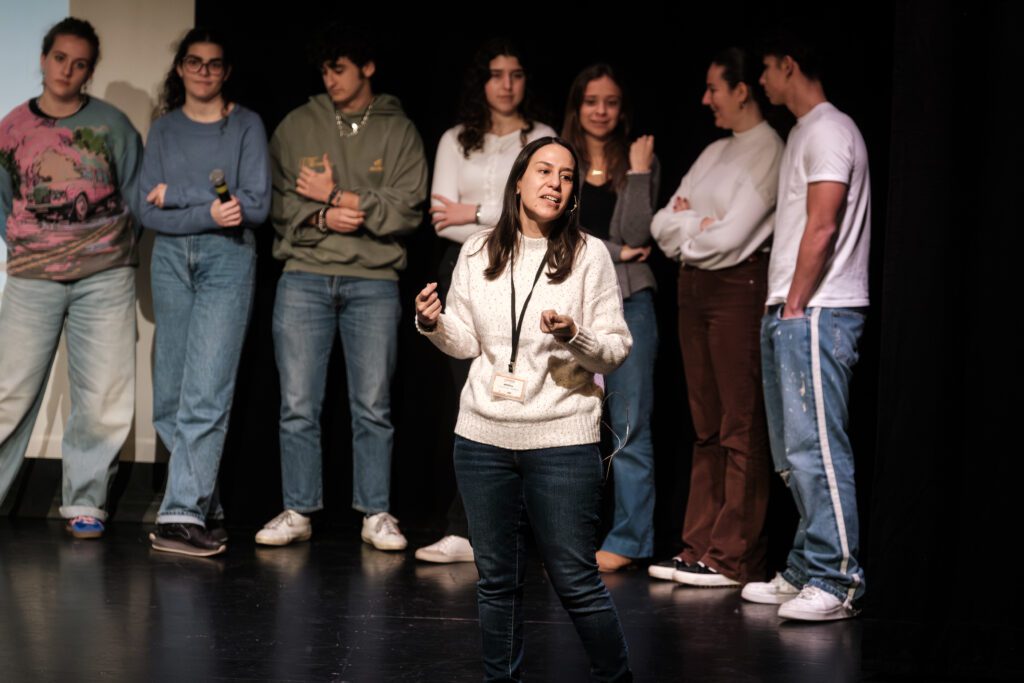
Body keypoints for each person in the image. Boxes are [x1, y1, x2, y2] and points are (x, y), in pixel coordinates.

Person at [415, 137, 632, 682]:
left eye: (566, 176)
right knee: (496, 582)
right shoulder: (477, 250)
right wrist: (433, 323)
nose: (554, 183)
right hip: (482, 439)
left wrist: (575, 334)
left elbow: (615, 350)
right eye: (543, 171)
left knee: (575, 580)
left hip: (561, 440)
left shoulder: (589, 255)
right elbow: (466, 341)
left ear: (573, 194)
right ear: (518, 181)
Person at [256, 26, 428, 550]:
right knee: (297, 403)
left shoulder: (399, 130)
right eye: (325, 70)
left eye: (340, 68)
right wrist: (325, 216)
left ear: (366, 67)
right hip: (304, 276)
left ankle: (375, 512)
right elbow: (277, 202)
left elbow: (408, 208)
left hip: (373, 280)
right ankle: (298, 509)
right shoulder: (297, 125)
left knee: (372, 404)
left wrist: (342, 196)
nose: (330, 79)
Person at [739, 29, 871, 621]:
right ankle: (805, 566)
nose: (762, 81)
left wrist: (795, 303)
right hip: (791, 309)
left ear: (789, 65)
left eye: (766, 69)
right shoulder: (803, 132)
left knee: (816, 446)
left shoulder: (829, 129)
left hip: (818, 309)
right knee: (793, 454)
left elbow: (823, 222)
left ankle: (838, 580)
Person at [0, 17, 142, 538]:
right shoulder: (13, 126)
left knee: (102, 393)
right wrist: (26, 243)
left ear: (89, 71)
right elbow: (5, 198)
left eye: (79, 64)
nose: (67, 70)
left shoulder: (112, 125)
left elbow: (134, 194)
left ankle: (86, 502)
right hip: (32, 276)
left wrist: (111, 250)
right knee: (8, 392)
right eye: (60, 58)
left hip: (104, 277)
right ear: (43, 59)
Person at [417, 38, 555, 564]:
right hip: (467, 269)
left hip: (528, 269)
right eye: (496, 74)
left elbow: (544, 211)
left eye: (516, 74)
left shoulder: (540, 137)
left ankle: (512, 529)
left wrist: (471, 213)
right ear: (482, 82)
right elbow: (439, 218)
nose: (506, 84)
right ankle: (466, 529)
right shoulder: (456, 139)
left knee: (519, 395)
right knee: (469, 400)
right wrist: (495, 216)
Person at [649, 48, 783, 588]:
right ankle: (698, 547)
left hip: (736, 289)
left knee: (738, 424)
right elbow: (660, 225)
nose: (706, 100)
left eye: (714, 89)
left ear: (742, 91)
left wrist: (694, 226)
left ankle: (734, 557)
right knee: (705, 423)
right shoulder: (712, 152)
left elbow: (733, 238)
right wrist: (698, 225)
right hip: (694, 287)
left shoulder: (768, 149)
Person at [139, 28, 271, 557]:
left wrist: (178, 196)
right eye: (194, 62)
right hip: (171, 258)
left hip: (227, 258)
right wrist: (207, 208)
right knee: (169, 398)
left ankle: (179, 515)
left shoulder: (245, 125)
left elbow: (254, 206)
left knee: (206, 390)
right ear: (181, 68)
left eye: (214, 64)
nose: (203, 72)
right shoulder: (164, 129)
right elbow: (146, 210)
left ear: (226, 71)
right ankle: (203, 502)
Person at [562, 64, 659, 573]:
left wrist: (639, 174)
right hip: (569, 304)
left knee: (628, 425)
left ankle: (629, 539)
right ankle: (564, 535)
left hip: (630, 301)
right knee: (564, 424)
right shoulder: (560, 160)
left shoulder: (640, 159)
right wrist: (618, 252)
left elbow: (638, 233)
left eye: (611, 102)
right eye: (592, 101)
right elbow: (562, 232)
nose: (601, 111)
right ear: (577, 107)